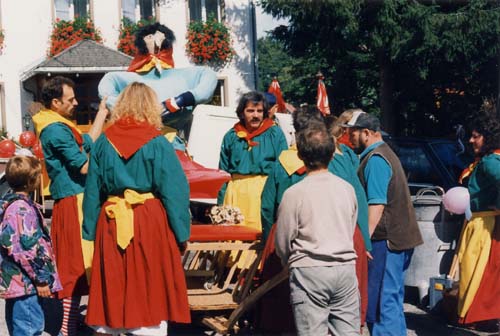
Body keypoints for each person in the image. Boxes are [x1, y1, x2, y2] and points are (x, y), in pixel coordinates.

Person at [82, 82, 191, 335]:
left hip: (111, 219)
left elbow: (92, 191)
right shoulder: (158, 142)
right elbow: (174, 190)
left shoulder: (103, 143)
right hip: (148, 219)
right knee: (148, 279)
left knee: (115, 277)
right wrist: (182, 232)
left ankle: (114, 326)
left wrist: (89, 230)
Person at [32, 76, 108, 336]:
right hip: (74, 200)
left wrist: (103, 113)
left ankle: (70, 325)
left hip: (78, 198)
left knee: (80, 265)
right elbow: (85, 165)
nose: (76, 103)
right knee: (74, 266)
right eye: (71, 99)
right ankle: (66, 328)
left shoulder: (61, 125)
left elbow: (90, 143)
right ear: (55, 102)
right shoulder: (55, 129)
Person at [275, 124, 360, 336]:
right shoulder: (346, 189)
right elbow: (350, 227)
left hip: (309, 269)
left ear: (301, 156)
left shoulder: (294, 193)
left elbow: (283, 239)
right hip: (344, 268)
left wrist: (288, 261)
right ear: (332, 154)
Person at [344, 111, 423, 336]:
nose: (350, 138)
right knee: (392, 300)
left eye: (353, 133)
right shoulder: (384, 153)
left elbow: (377, 205)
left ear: (366, 133)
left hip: (387, 241)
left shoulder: (377, 159)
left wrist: (365, 242)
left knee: (382, 303)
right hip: (397, 239)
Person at [258, 106, 324, 333]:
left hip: (283, 234)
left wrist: (269, 239)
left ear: (295, 133)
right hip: (318, 234)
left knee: (279, 297)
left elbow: (267, 206)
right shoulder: (328, 162)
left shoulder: (281, 164)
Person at [0, 156, 62, 336]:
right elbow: (27, 249)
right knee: (29, 329)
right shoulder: (21, 209)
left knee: (20, 328)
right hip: (27, 284)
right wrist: (40, 278)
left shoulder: (9, 204)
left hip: (17, 284)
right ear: (31, 181)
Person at [326, 109, 372, 328]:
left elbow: (359, 199)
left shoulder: (345, 155)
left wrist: (366, 240)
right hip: (345, 231)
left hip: (349, 231)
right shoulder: (340, 155)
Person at [218, 91, 288, 232]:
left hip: (264, 193)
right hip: (235, 195)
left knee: (261, 235)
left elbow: (283, 169)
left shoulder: (275, 134)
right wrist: (220, 204)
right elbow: (222, 172)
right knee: (233, 239)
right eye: (250, 111)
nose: (255, 115)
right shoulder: (231, 136)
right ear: (242, 112)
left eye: (259, 111)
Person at [456, 106, 500, 327]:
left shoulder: (491, 161)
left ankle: (482, 316)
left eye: (476, 136)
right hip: (480, 222)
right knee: (474, 270)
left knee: (479, 270)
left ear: (488, 137)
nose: (471, 141)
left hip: (486, 225)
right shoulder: (485, 160)